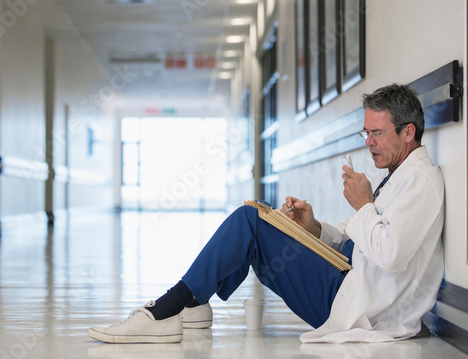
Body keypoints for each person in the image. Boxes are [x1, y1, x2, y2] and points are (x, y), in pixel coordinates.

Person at [88, 84, 444, 344]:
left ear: (408, 132)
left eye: (377, 134)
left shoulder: (420, 181)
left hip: (354, 304)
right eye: (366, 132)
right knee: (257, 215)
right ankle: (193, 303)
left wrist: (364, 204)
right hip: (348, 282)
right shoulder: (398, 177)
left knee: (250, 223)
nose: (369, 142)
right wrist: (314, 227)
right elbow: (357, 237)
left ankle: (168, 309)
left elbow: (391, 254)